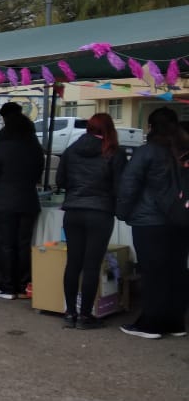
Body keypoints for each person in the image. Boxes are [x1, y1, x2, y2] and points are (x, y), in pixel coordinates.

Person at [116, 107, 189, 339]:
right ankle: (175, 322)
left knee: (153, 272)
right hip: (180, 221)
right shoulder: (182, 151)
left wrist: (123, 213)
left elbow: (129, 186)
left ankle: (151, 324)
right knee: (176, 270)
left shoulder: (146, 152)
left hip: (150, 222)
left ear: (150, 127)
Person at [55, 113, 127, 329]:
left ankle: (70, 313)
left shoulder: (71, 150)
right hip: (100, 213)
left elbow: (60, 181)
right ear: (109, 129)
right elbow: (120, 187)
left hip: (73, 212)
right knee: (91, 265)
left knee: (73, 263)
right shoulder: (114, 152)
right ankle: (85, 316)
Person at [0, 104, 44, 300]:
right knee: (24, 244)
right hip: (28, 200)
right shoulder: (34, 144)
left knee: (6, 245)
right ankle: (24, 285)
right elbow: (38, 174)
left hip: (4, 202)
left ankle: (8, 287)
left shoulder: (2, 143)